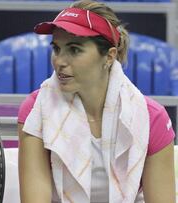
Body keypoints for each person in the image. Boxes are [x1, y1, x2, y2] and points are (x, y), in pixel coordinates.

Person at [18, 0, 175, 202]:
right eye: (56, 49)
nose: (60, 61)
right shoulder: (35, 110)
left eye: (74, 50)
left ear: (109, 56)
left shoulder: (152, 118)